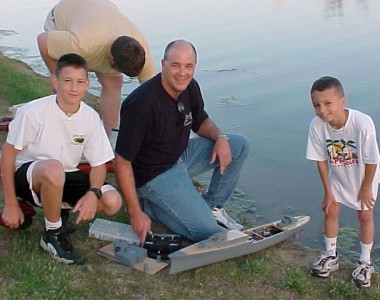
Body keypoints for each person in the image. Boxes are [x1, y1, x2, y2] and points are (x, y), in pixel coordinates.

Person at [114, 40, 250, 244]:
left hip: (181, 156)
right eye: (175, 65)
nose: (182, 73)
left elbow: (200, 120)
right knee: (206, 231)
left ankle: (213, 207)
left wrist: (220, 137)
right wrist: (134, 213)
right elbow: (122, 162)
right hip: (153, 174)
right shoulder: (141, 104)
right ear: (163, 65)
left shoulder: (190, 87)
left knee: (238, 144)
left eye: (189, 66)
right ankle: (147, 205)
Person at [0, 53, 122, 265]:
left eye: (80, 82)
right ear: (55, 82)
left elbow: (99, 164)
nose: (74, 88)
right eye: (67, 81)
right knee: (53, 168)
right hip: (28, 175)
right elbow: (7, 156)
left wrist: (93, 193)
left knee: (112, 202)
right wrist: (10, 203)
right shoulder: (33, 112)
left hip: (63, 175)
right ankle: (52, 234)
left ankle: (58, 212)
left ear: (87, 85)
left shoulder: (90, 117)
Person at [37, 0, 157, 134]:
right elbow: (42, 40)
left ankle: (109, 134)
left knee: (114, 82)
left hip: (98, 14)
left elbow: (154, 91)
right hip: (62, 19)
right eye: (120, 70)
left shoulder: (140, 50)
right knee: (69, 82)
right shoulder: (81, 44)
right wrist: (56, 75)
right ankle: (59, 132)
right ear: (111, 59)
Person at [306, 76, 380, 288]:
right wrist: (327, 191)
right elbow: (320, 160)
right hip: (339, 173)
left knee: (365, 214)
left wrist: (366, 188)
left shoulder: (362, 123)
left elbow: (372, 160)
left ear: (342, 101)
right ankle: (331, 256)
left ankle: (365, 263)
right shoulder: (317, 126)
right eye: (316, 105)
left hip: (364, 175)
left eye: (328, 103)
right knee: (330, 210)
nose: (322, 110)